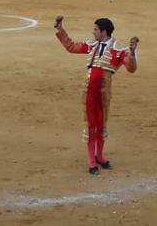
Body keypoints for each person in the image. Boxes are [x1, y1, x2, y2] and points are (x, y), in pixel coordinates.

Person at [54, 15, 139, 175]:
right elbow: (71, 47)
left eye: (95, 30)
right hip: (88, 92)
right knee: (91, 125)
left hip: (103, 93)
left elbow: (131, 68)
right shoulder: (93, 45)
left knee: (101, 124)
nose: (93, 32)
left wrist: (133, 52)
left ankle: (99, 155)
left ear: (103, 32)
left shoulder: (118, 50)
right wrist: (60, 29)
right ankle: (91, 160)